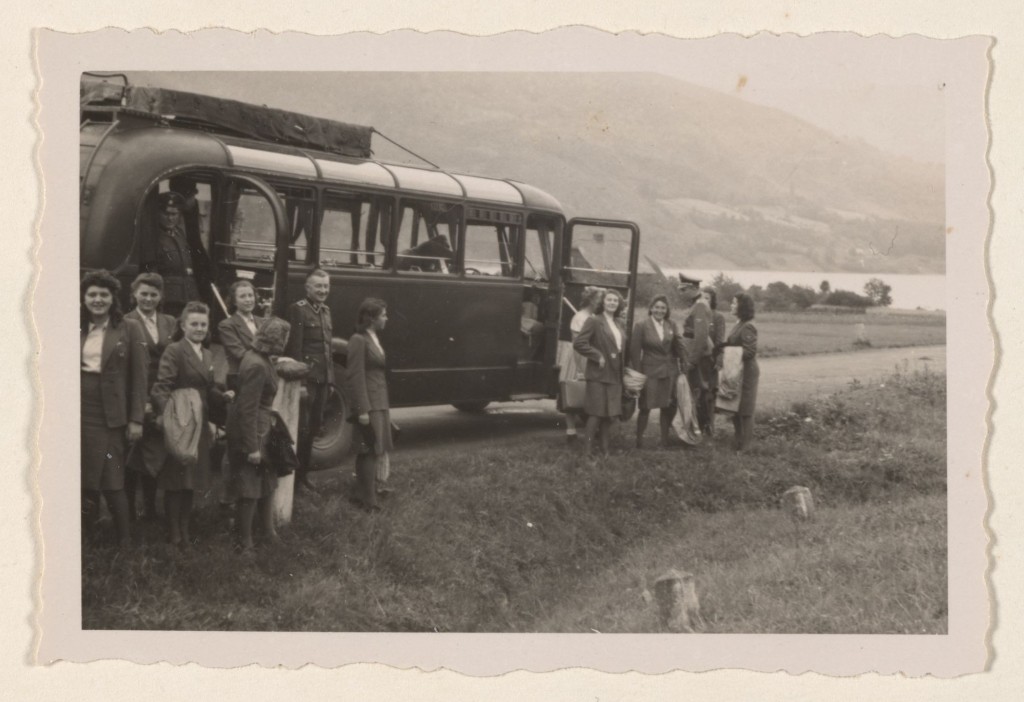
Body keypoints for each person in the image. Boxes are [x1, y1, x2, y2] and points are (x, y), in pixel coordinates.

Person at [150, 301, 233, 548]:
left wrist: (222, 395)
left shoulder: (206, 354)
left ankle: (185, 528)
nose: (198, 328)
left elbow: (207, 388)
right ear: (183, 325)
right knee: (176, 480)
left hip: (199, 420)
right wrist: (169, 420)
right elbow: (161, 387)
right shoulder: (174, 350)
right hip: (182, 421)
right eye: (193, 324)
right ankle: (174, 531)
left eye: (203, 324)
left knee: (191, 479)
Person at [80, 270, 148, 547]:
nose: (97, 300)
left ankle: (125, 541)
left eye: (103, 295)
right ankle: (87, 535)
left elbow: (140, 377)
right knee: (82, 475)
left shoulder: (129, 328)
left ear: (113, 298)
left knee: (112, 478)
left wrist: (136, 419)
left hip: (111, 415)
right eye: (92, 294)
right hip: (78, 410)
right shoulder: (76, 325)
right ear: (84, 298)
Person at [227, 316, 291, 552]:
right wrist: (252, 446)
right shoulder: (257, 364)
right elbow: (247, 409)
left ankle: (267, 531)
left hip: (261, 427)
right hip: (253, 430)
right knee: (250, 485)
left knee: (266, 481)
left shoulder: (259, 359)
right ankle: (245, 542)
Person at [123, 272, 177, 522]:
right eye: (143, 293)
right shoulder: (125, 321)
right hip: (137, 393)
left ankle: (151, 508)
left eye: (153, 294)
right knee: (133, 452)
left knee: (154, 451)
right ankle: (130, 510)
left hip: (162, 394)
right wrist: (140, 400)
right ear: (134, 294)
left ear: (161, 296)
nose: (148, 298)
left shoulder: (169, 322)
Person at [284, 269, 334, 491]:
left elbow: (327, 349)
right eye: (318, 286)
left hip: (322, 380)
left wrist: (330, 380)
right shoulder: (299, 310)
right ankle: (293, 480)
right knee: (302, 429)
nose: (323, 290)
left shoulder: (326, 311)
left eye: (325, 286)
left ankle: (303, 476)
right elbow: (296, 348)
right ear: (308, 288)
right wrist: (301, 383)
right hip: (308, 380)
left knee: (314, 428)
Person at [345, 298, 394, 511]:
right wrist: (362, 409)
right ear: (372, 318)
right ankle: (368, 500)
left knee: (375, 448)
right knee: (369, 449)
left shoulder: (373, 337)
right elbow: (355, 376)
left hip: (380, 400)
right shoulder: (359, 339)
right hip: (370, 403)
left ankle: (362, 493)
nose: (386, 318)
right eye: (383, 315)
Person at [573, 289, 627, 457]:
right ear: (603, 303)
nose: (612, 303)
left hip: (615, 373)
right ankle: (587, 451)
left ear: (619, 305)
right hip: (599, 372)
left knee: (608, 415)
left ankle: (605, 451)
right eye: (609, 300)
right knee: (596, 413)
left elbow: (621, 348)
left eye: (615, 301)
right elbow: (579, 343)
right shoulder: (594, 321)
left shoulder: (619, 323)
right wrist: (597, 356)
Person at [628, 295, 682, 448]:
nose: (660, 310)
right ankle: (639, 440)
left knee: (667, 406)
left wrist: (684, 364)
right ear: (651, 308)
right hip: (649, 372)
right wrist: (638, 375)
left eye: (663, 308)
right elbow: (634, 351)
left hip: (668, 372)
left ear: (667, 310)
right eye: (657, 307)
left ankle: (664, 440)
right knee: (645, 407)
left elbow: (678, 346)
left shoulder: (671, 324)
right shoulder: (641, 325)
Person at [139, 191, 201, 318]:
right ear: (158, 214)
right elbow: (151, 271)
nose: (170, 218)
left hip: (187, 296)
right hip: (168, 300)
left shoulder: (179, 234)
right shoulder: (153, 237)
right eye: (166, 214)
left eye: (174, 214)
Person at [556, 285, 604, 443]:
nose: (600, 302)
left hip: (588, 356)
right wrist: (580, 365)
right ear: (590, 300)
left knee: (586, 393)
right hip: (578, 357)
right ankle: (571, 430)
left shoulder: (593, 316)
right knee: (572, 390)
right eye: (598, 299)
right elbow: (577, 343)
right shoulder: (580, 317)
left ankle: (590, 428)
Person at [723, 292, 760, 451]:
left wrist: (729, 354)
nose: (731, 305)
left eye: (734, 303)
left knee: (745, 409)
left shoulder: (748, 326)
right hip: (737, 370)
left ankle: (746, 446)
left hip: (747, 372)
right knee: (735, 407)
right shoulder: (739, 324)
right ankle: (738, 442)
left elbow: (750, 351)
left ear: (742, 306)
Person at [218, 280, 265, 391]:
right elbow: (240, 354)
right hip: (241, 378)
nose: (248, 300)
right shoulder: (226, 325)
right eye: (242, 296)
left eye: (250, 295)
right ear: (234, 301)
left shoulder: (262, 322)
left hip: (263, 377)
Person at [698, 287, 727, 437]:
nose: (704, 300)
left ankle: (709, 426)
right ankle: (698, 425)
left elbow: (720, 340)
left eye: (707, 298)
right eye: (701, 297)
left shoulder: (718, 317)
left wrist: (719, 358)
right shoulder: (697, 315)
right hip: (697, 361)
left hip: (710, 362)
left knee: (709, 395)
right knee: (698, 394)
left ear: (712, 300)